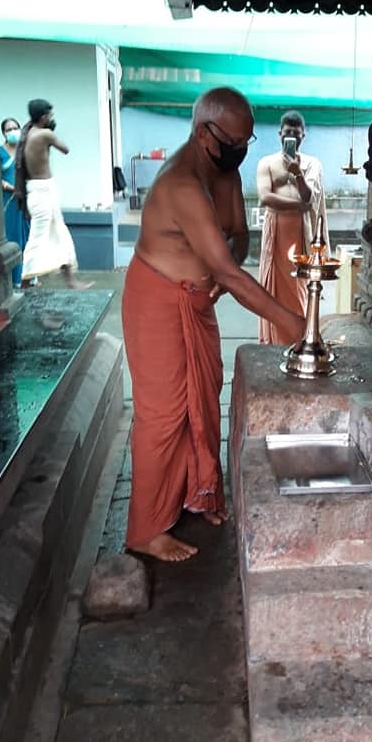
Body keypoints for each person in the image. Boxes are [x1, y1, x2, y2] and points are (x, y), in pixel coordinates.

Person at [121, 87, 305, 563]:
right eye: (234, 141)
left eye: (247, 141)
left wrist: (220, 273)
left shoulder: (221, 169)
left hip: (196, 298)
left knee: (200, 398)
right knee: (162, 414)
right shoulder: (182, 182)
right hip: (158, 299)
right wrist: (293, 322)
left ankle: (192, 493)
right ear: (205, 133)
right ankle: (145, 529)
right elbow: (228, 270)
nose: (241, 150)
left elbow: (238, 239)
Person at [256, 110, 329, 344]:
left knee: (300, 291)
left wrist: (298, 174)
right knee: (273, 293)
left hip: (301, 236)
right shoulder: (267, 162)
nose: (292, 137)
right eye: (288, 133)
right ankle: (274, 344)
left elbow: (310, 197)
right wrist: (298, 205)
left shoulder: (312, 164)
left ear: (303, 136)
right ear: (279, 134)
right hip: (276, 236)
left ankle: (299, 340)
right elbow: (265, 197)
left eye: (296, 134)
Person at [14, 99, 89, 289]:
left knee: (60, 234)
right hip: (42, 192)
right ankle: (24, 281)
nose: (52, 118)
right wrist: (52, 132)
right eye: (50, 115)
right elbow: (65, 149)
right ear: (43, 116)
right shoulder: (44, 134)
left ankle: (70, 280)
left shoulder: (28, 132)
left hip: (39, 191)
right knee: (37, 239)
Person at [0, 116, 31, 287]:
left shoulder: (24, 150)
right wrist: (8, 186)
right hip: (8, 201)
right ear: (3, 133)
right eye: (8, 129)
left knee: (27, 236)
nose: (12, 132)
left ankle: (29, 275)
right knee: (13, 237)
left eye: (15, 128)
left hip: (24, 200)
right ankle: (15, 279)